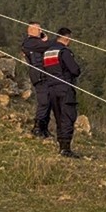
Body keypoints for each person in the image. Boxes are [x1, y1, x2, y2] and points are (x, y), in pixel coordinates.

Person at [42, 28, 82, 158]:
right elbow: (74, 70)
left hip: (51, 88)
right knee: (68, 117)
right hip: (64, 87)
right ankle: (66, 148)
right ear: (67, 38)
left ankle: (61, 146)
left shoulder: (47, 52)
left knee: (59, 117)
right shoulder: (64, 52)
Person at [20, 22, 52, 138]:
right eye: (39, 29)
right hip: (38, 75)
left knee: (49, 101)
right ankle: (37, 128)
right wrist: (46, 40)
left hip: (45, 74)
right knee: (44, 101)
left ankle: (44, 128)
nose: (41, 31)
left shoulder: (36, 43)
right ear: (31, 30)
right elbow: (48, 46)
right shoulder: (30, 43)